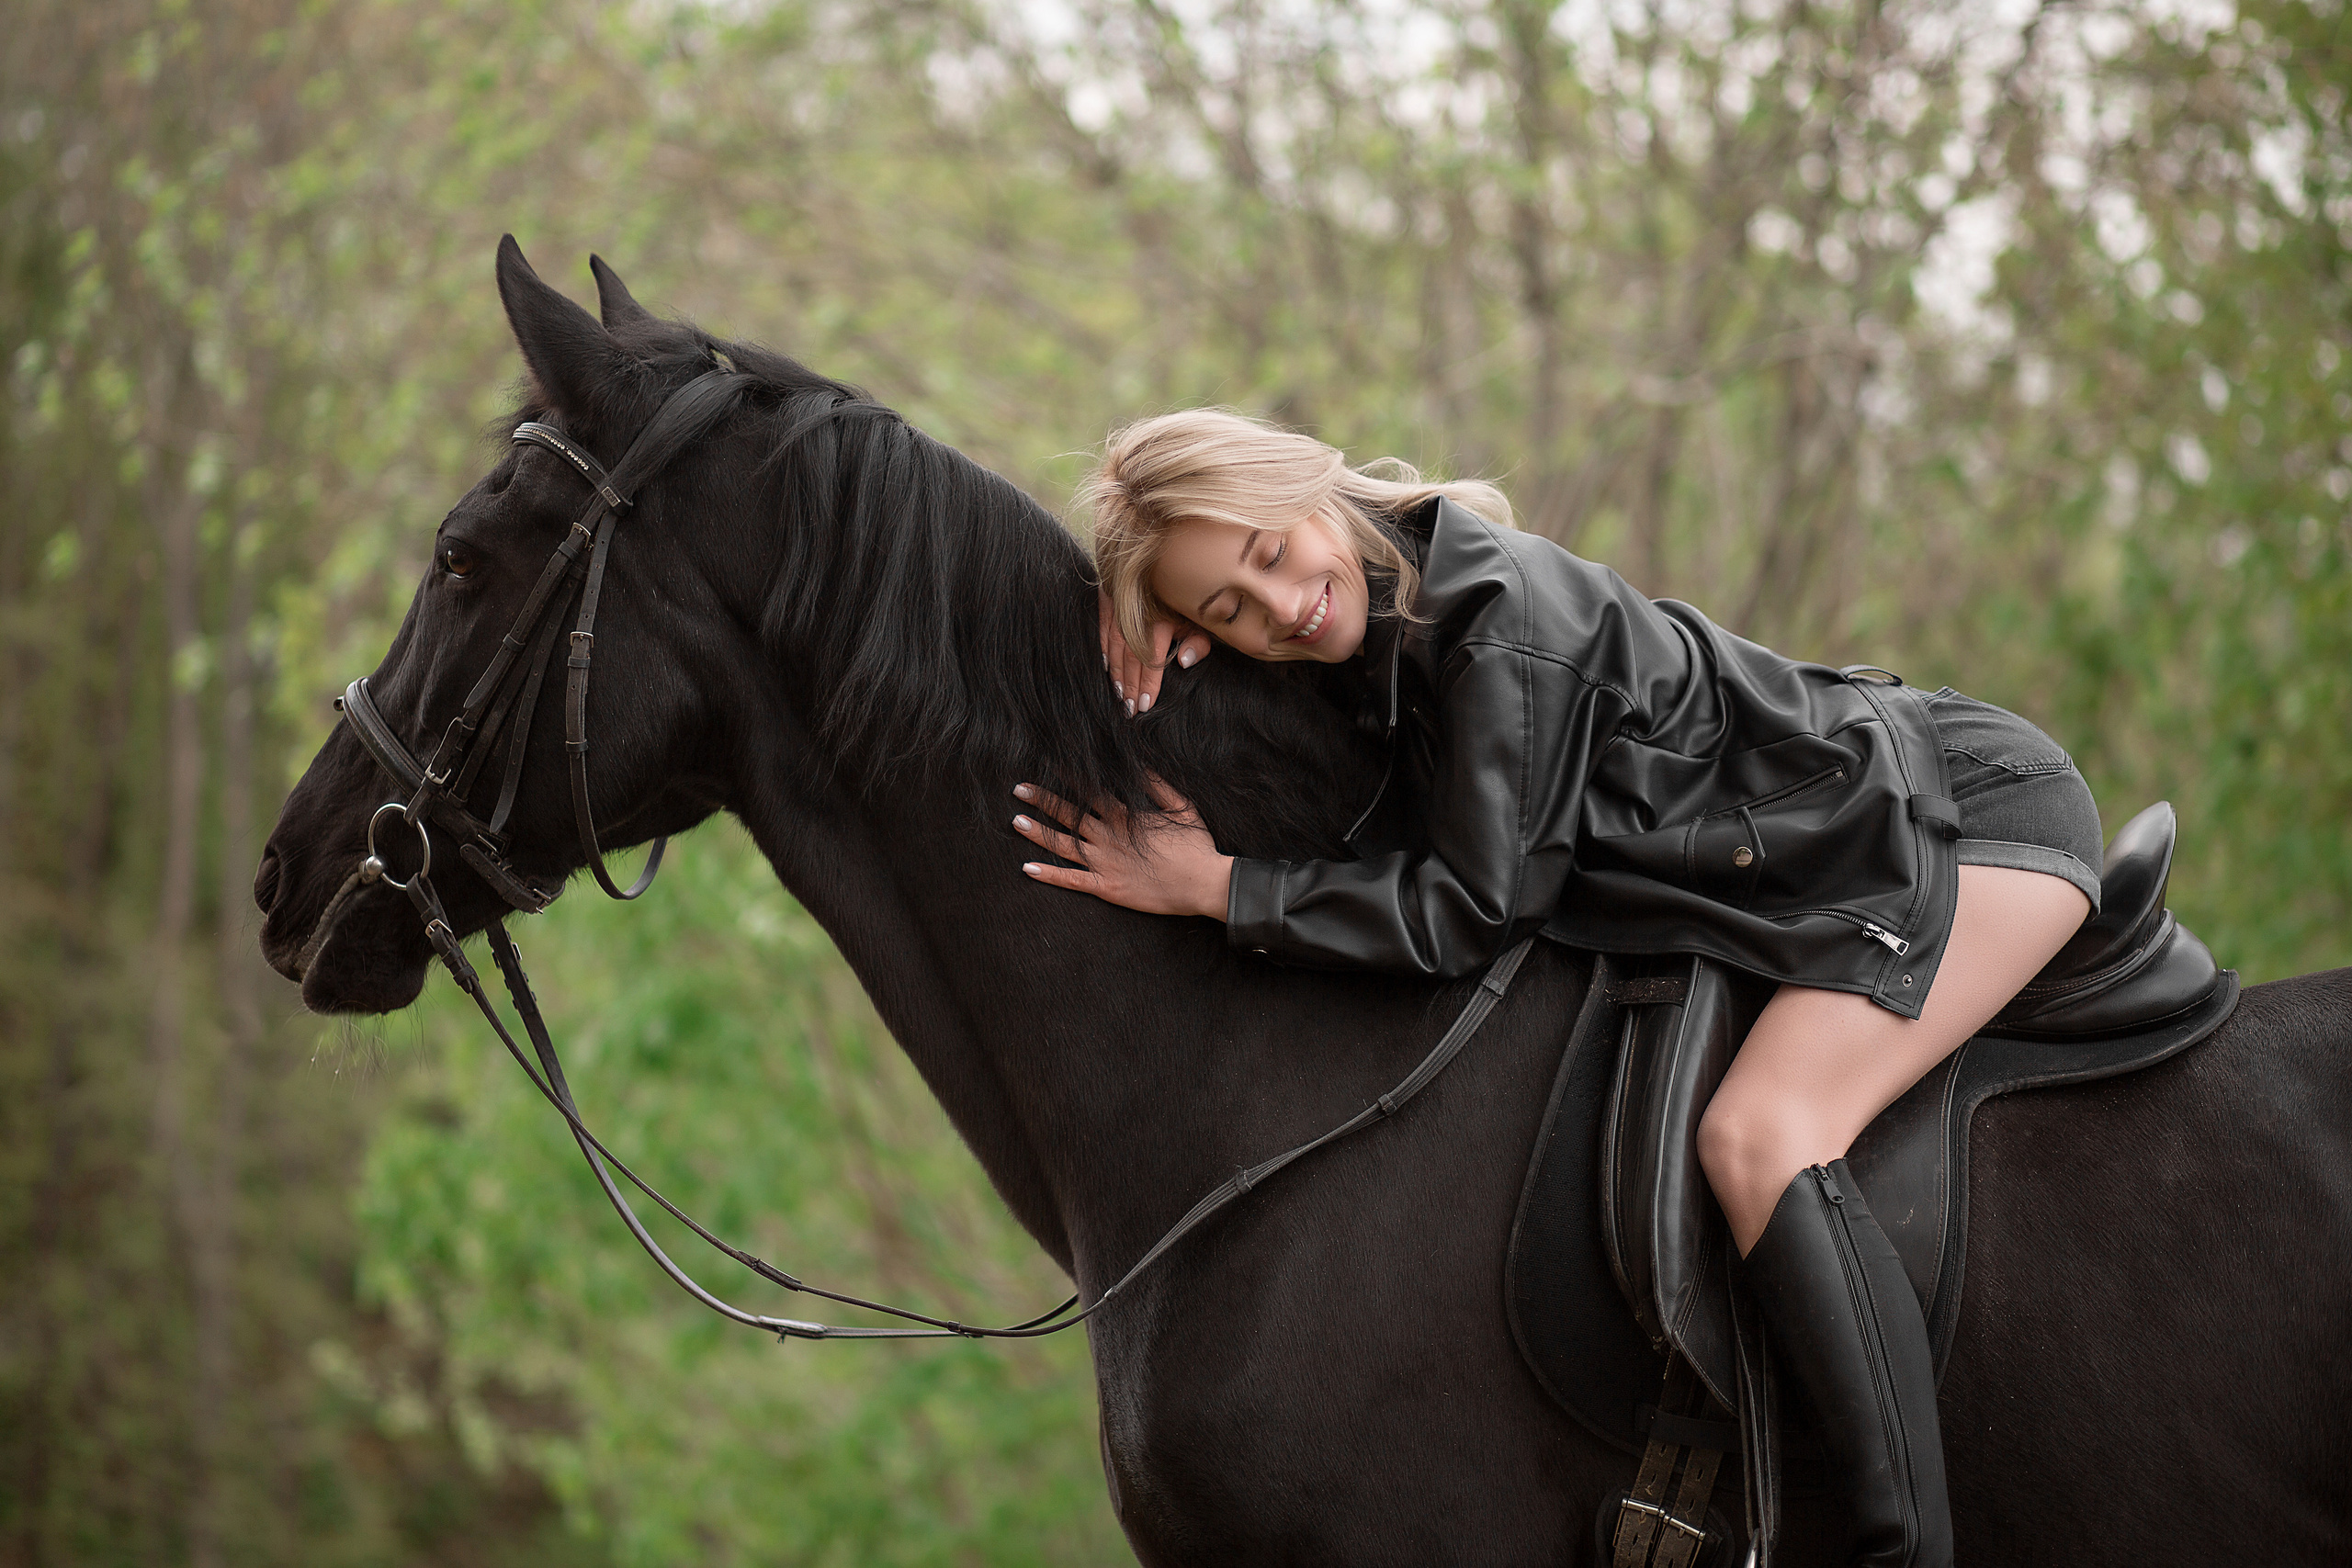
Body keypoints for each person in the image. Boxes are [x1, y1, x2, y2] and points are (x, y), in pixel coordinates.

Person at [1011, 409, 2103, 1568]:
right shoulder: (1379, 619)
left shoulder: (1499, 632)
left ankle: (1901, 1548)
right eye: (1227, 608)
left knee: (1763, 1135)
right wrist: (1170, 639)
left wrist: (1221, 888)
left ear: (1310, 488)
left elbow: (1468, 910)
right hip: (1815, 862)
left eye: (1272, 554)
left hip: (1956, 820)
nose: (1278, 607)